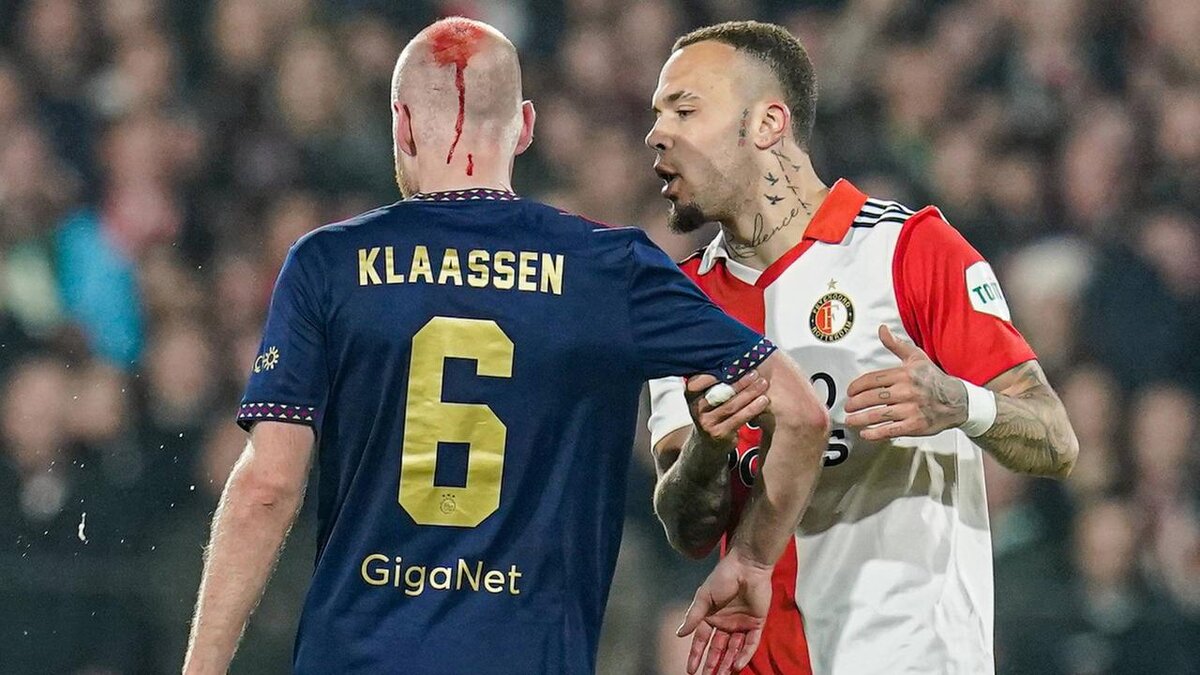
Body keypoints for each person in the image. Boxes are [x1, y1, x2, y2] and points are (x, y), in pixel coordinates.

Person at [181, 17, 831, 675]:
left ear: (402, 125)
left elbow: (268, 486)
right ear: (524, 127)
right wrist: (752, 559)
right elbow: (803, 413)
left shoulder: (328, 264)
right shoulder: (609, 269)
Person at [646, 21, 1080, 675]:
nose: (657, 134)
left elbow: (1055, 439)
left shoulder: (910, 250)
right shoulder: (677, 304)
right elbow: (688, 528)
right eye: (658, 115)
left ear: (767, 124)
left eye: (684, 111)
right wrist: (708, 447)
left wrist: (960, 403)